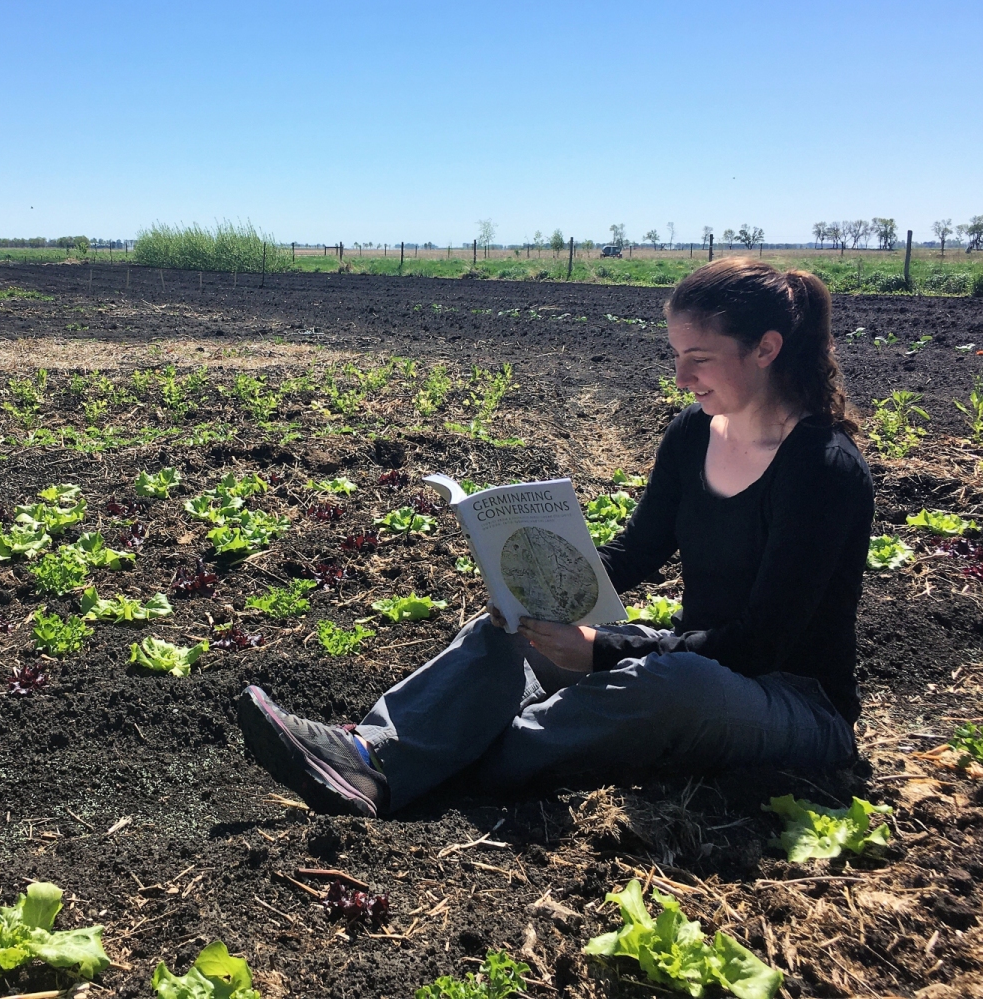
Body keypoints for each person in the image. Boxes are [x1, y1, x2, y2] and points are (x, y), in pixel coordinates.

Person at [237, 258, 874, 818]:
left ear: (765, 348)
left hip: (793, 700)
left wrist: (602, 649)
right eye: (675, 355)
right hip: (708, 659)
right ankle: (368, 754)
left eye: (699, 359)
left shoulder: (821, 468)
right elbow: (636, 553)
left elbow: (761, 644)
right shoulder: (692, 435)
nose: (682, 377)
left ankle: (455, 762)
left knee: (665, 684)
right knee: (508, 629)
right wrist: (533, 587)